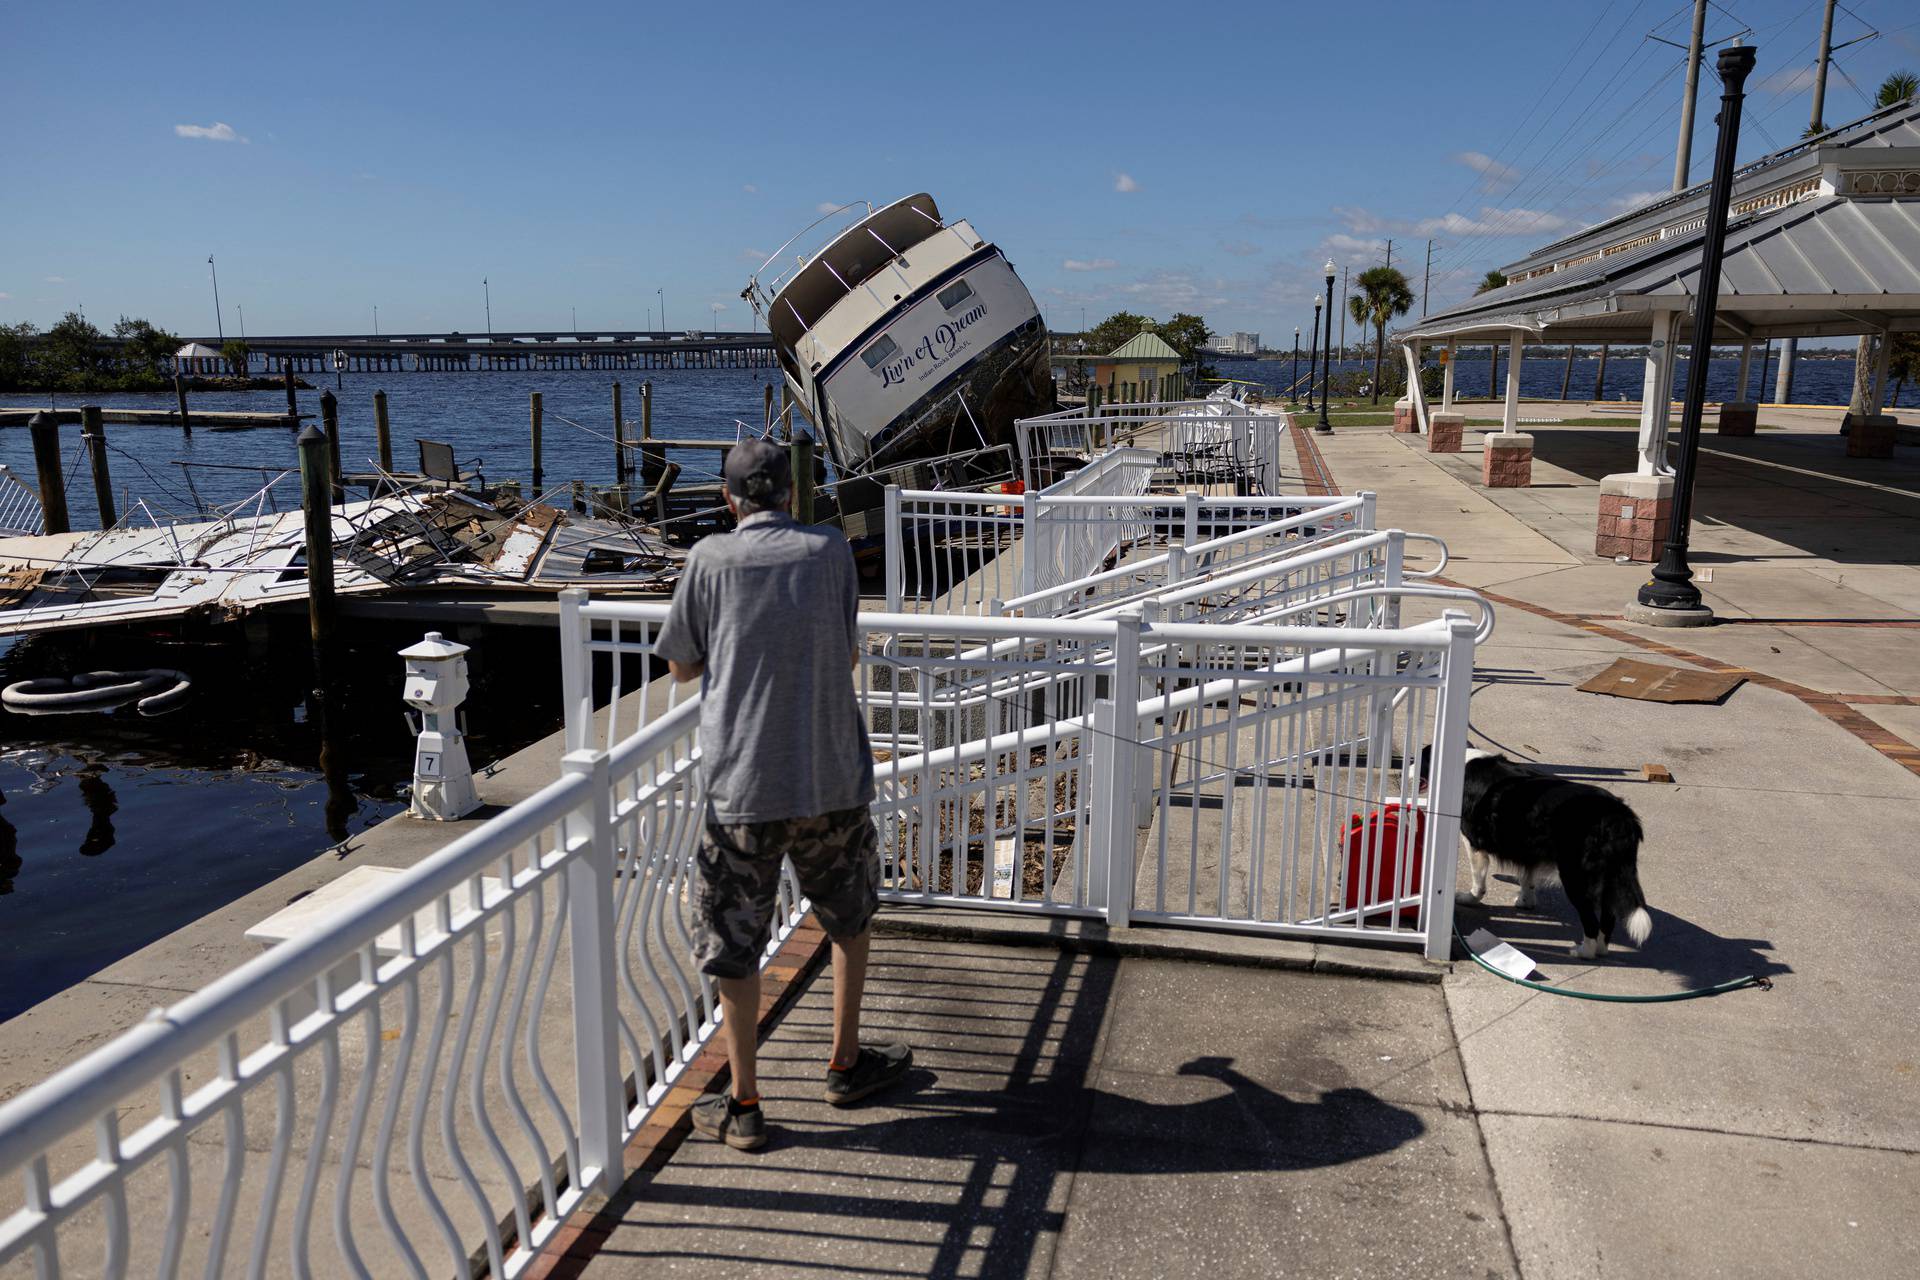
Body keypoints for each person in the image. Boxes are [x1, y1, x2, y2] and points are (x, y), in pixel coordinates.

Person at [654, 438, 910, 1151]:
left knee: (734, 947)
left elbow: (680, 664)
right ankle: (845, 1064)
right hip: (831, 778)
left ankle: (744, 1102)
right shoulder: (829, 551)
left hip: (743, 786)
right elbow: (849, 648)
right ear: (793, 496)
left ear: (729, 499)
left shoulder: (708, 558)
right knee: (849, 921)